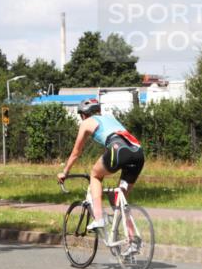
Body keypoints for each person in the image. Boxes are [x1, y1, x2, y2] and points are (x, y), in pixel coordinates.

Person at [57, 99, 144, 232]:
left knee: (95, 175)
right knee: (120, 203)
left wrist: (65, 172)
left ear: (84, 114)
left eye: (81, 116)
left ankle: (99, 218)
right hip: (137, 152)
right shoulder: (110, 118)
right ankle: (132, 239)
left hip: (118, 149)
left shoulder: (86, 123)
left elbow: (76, 152)